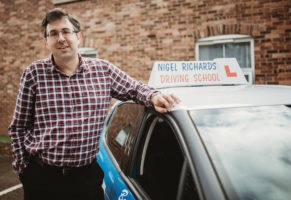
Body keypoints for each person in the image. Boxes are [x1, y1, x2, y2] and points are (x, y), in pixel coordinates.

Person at [8, 8, 179, 200]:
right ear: (46, 41)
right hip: (42, 179)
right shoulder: (34, 74)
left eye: (66, 31)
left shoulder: (103, 71)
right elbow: (18, 127)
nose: (61, 38)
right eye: (53, 34)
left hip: (86, 180)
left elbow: (135, 88)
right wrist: (23, 170)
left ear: (78, 36)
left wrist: (154, 96)